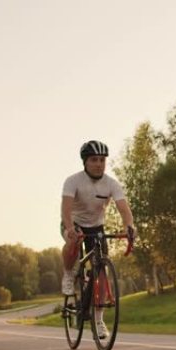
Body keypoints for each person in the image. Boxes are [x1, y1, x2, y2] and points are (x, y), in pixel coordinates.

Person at [61, 140, 135, 338]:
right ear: (85, 162)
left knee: (101, 272)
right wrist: (69, 228)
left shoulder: (111, 183)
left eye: (102, 160)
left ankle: (99, 320)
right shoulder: (73, 181)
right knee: (72, 240)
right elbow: (66, 209)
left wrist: (130, 227)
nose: (98, 164)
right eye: (94, 160)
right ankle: (68, 273)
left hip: (97, 227)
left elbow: (124, 209)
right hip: (74, 223)